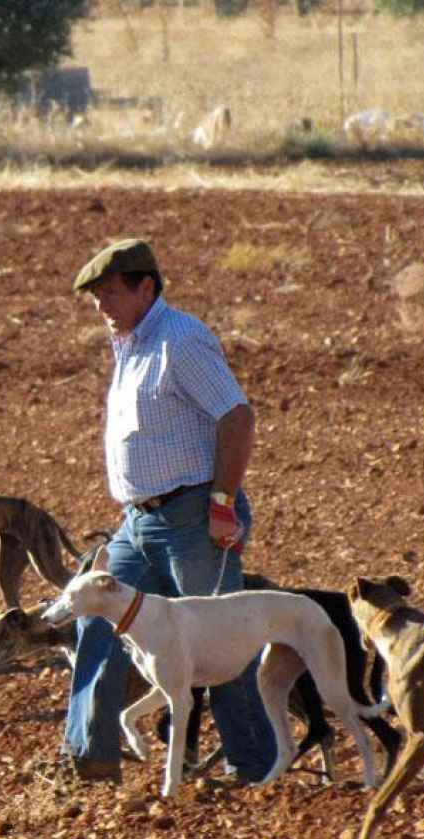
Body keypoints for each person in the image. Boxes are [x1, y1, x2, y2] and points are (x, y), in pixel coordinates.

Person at [60, 238, 276, 785]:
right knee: (96, 619)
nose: (100, 306)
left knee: (219, 639)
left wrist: (223, 502)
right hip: (139, 521)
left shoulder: (180, 340)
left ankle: (254, 767)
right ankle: (90, 758)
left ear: (146, 287)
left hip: (192, 516)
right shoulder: (130, 342)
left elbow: (237, 417)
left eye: (109, 293)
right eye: (94, 296)